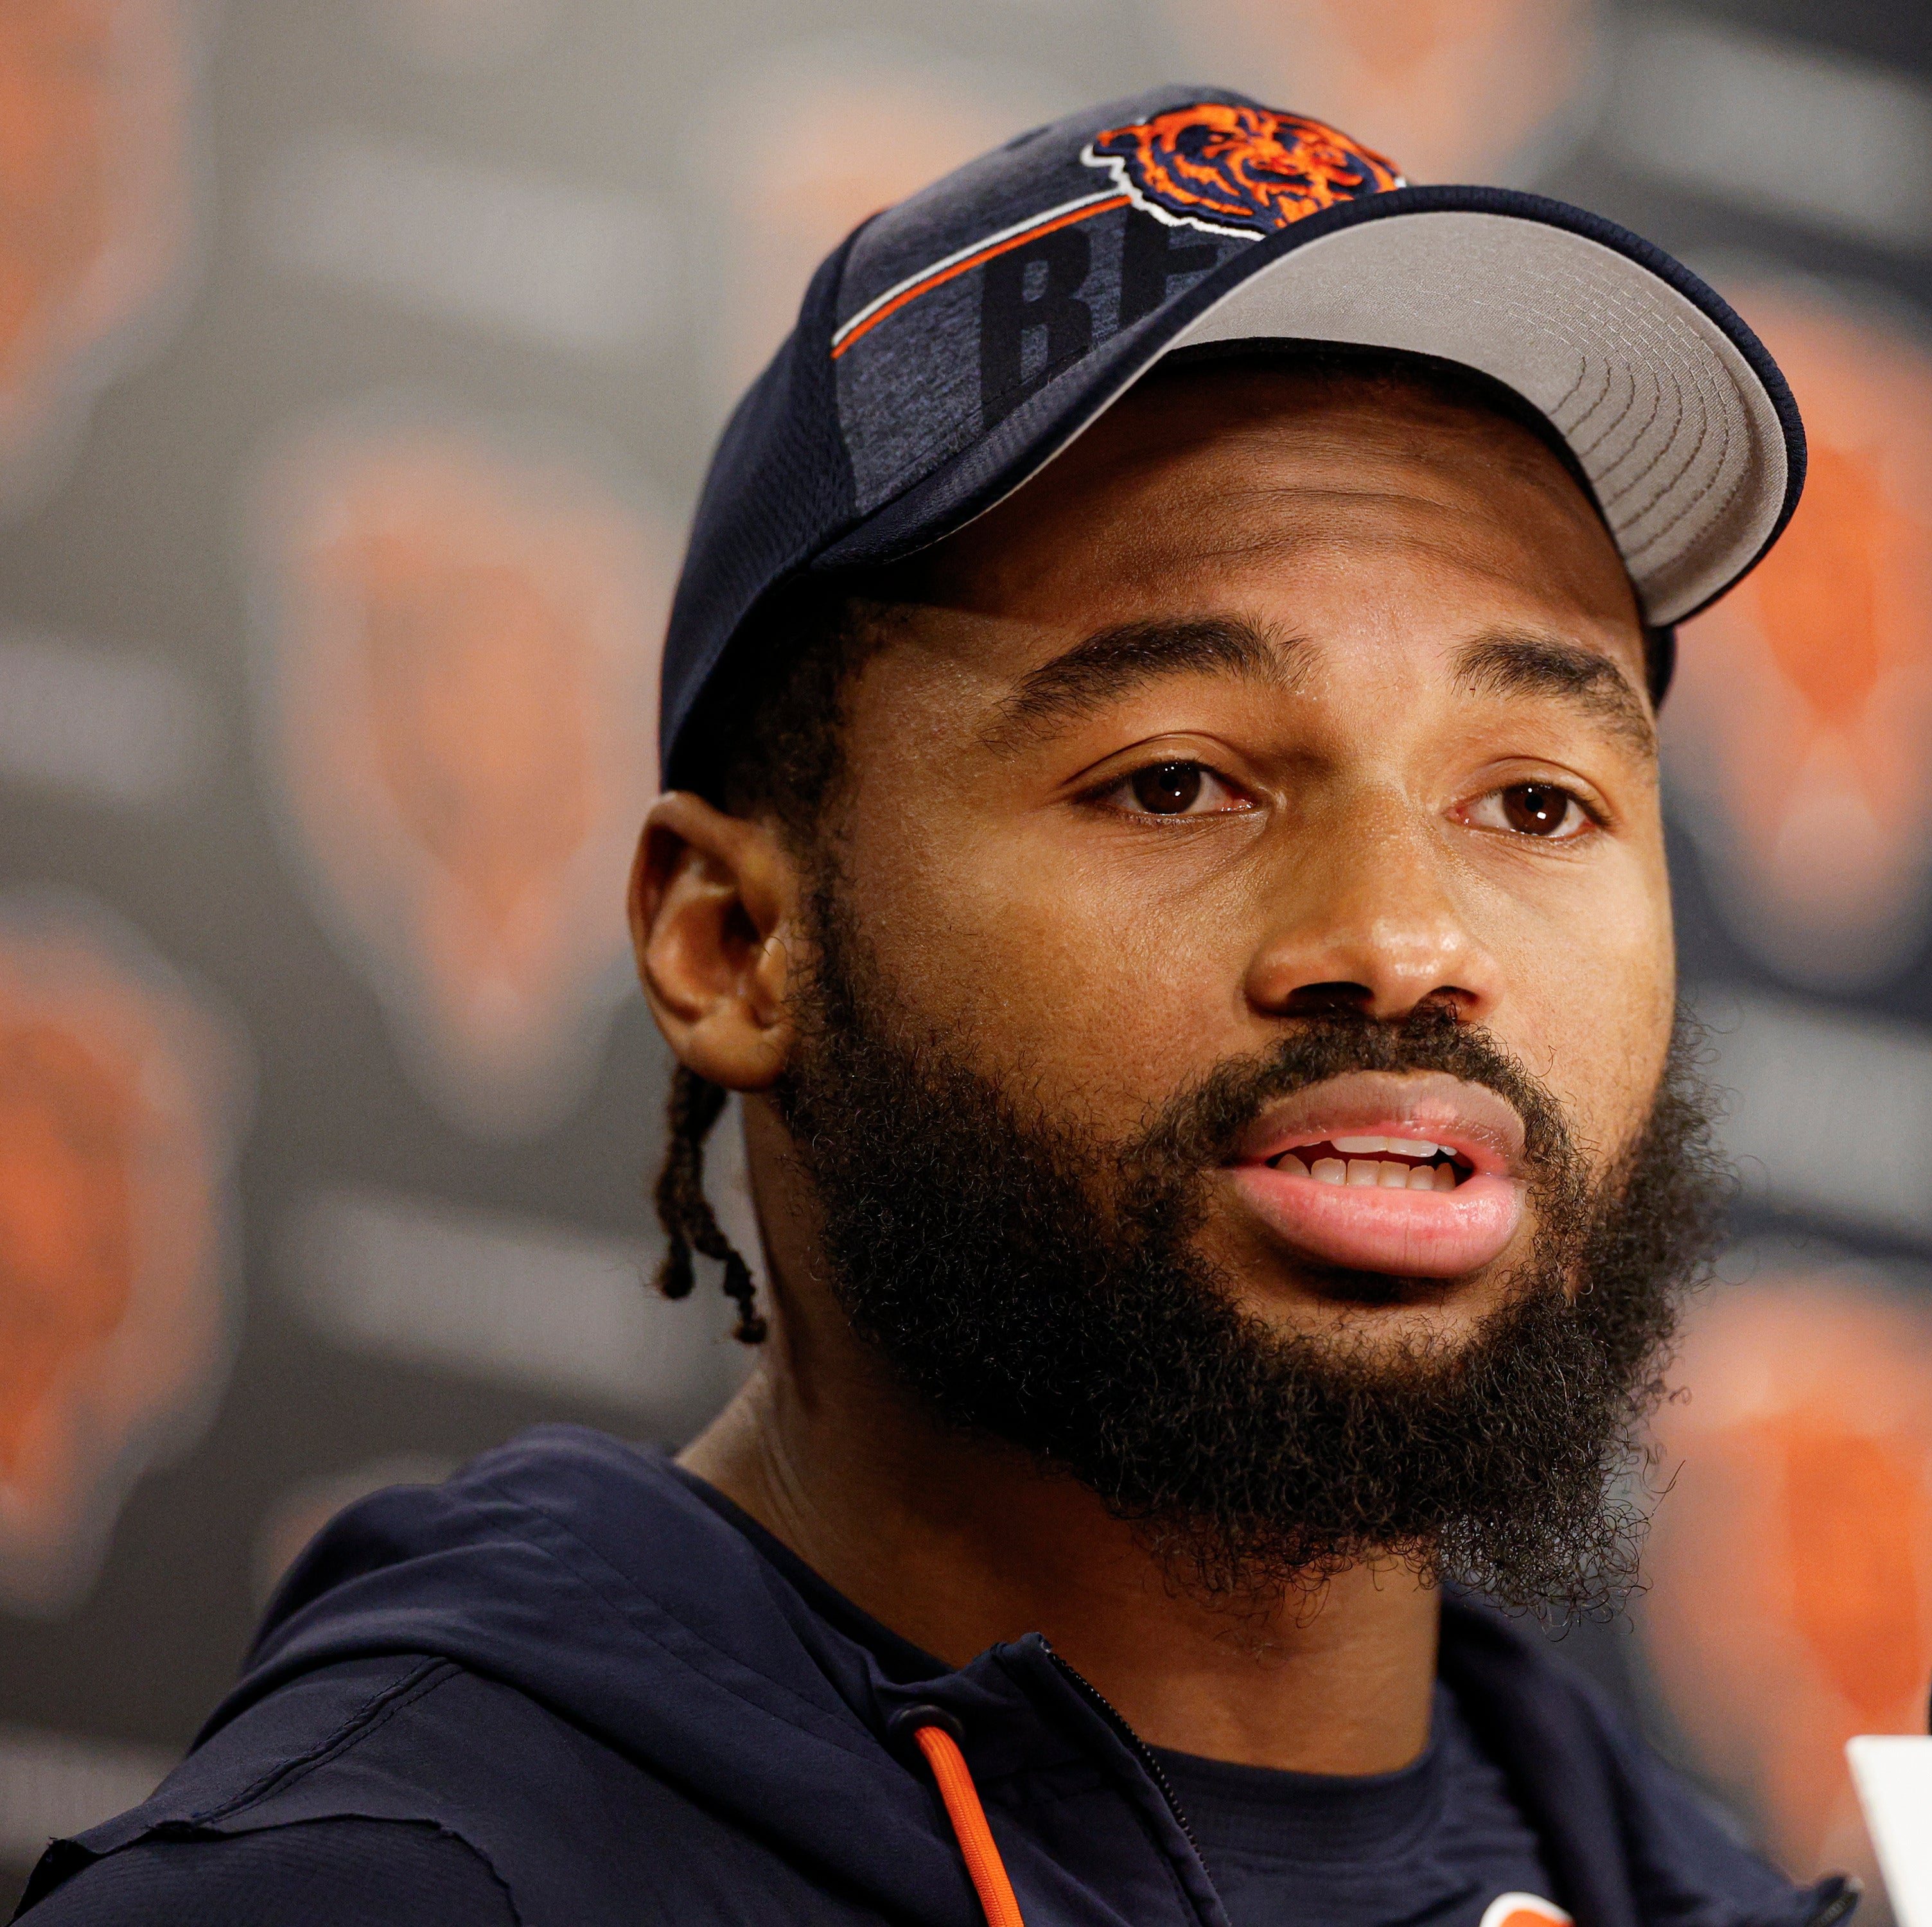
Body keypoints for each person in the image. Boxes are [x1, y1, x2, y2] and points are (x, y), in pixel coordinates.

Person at [18, 87, 1837, 1927]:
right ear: (732, 942)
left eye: (1534, 801)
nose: (1401, 939)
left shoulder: (1695, 1896)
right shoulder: (390, 1890)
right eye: (1173, 780)